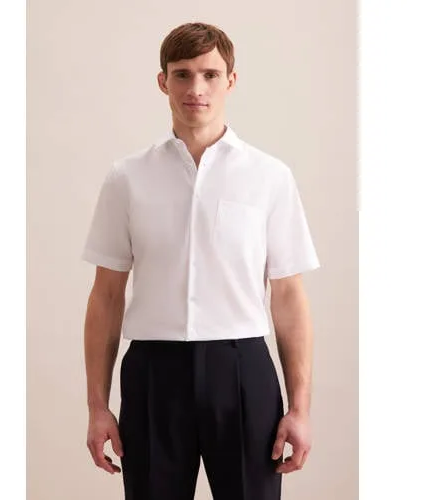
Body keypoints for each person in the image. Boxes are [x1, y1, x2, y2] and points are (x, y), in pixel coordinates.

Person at [81, 22, 320, 500]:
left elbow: (289, 297)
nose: (196, 88)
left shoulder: (270, 177)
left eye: (210, 74)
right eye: (183, 74)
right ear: (163, 81)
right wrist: (97, 407)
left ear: (231, 80)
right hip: (154, 373)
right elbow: (106, 296)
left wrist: (300, 409)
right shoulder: (126, 178)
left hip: (242, 369)